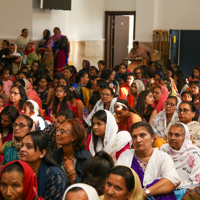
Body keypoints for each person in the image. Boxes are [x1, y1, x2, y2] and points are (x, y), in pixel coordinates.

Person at [116, 122, 180, 199]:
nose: (138, 140)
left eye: (142, 135)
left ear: (152, 138)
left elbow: (173, 179)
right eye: (134, 137)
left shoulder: (162, 157)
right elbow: (116, 179)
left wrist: (146, 192)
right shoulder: (125, 156)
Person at [20, 131, 67, 199]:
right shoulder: (18, 170)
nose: (22, 149)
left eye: (29, 147)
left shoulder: (54, 174)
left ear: (42, 153)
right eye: (22, 145)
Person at [160, 122, 200, 200]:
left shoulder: (194, 154)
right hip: (163, 187)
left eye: (177, 135)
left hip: (184, 191)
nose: (172, 138)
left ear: (186, 137)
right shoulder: (163, 149)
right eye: (170, 134)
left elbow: (195, 182)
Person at [53, 119, 91, 186]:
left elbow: (85, 187)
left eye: (62, 131)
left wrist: (71, 172)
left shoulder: (86, 159)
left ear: (73, 137)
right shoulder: (55, 154)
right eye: (58, 130)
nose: (57, 134)